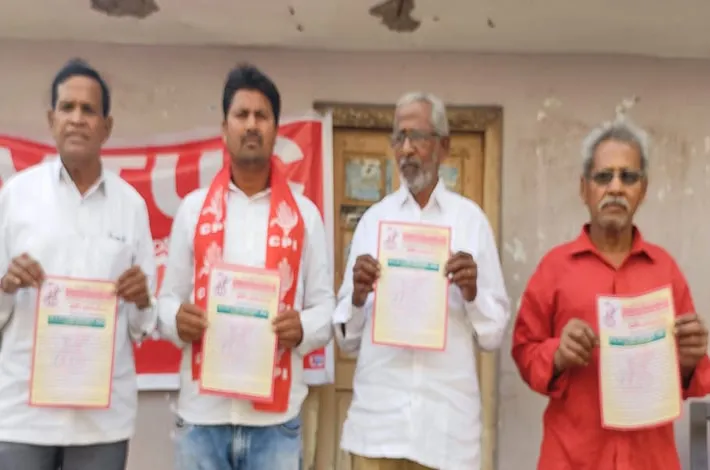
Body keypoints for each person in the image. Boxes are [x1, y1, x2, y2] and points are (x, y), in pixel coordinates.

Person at [157, 63, 334, 470]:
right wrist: (175, 320)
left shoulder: (304, 216)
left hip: (275, 423)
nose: (251, 125)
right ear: (225, 128)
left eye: (261, 116)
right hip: (202, 417)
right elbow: (166, 302)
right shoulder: (194, 210)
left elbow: (325, 308)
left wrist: (302, 327)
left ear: (275, 129)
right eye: (241, 115)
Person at [511, 118, 710, 470]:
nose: (616, 187)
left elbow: (690, 378)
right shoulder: (554, 268)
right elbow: (524, 351)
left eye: (628, 177)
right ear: (584, 188)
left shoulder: (665, 270)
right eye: (604, 177)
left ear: (643, 189)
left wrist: (690, 359)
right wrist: (557, 354)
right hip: (572, 458)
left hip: (650, 460)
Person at [333, 92, 511, 470]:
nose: (407, 149)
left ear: (444, 146)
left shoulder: (471, 223)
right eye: (399, 137)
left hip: (446, 434)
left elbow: (493, 335)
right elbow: (346, 339)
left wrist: (472, 294)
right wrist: (358, 297)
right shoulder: (373, 222)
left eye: (417, 136)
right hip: (377, 429)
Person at [0, 59, 157, 470]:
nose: (76, 119)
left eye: (88, 110)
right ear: (51, 120)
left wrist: (142, 300)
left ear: (107, 127)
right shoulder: (15, 197)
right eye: (67, 107)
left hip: (100, 423)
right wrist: (6, 285)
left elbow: (144, 325)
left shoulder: (131, 207)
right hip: (23, 416)